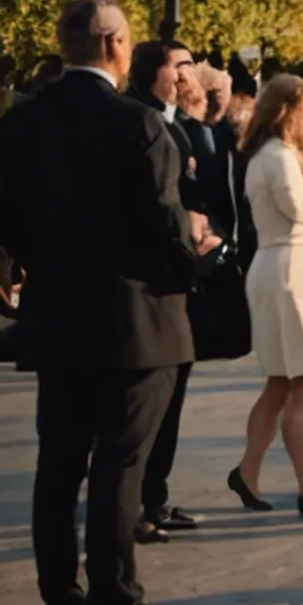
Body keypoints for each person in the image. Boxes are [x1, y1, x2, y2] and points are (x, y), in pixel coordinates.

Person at [0, 0, 216, 605]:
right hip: (135, 316)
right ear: (117, 45)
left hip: (58, 312)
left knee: (59, 462)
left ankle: (60, 603)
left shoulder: (22, 121)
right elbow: (162, 221)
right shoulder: (138, 125)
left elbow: (8, 217)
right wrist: (196, 258)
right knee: (121, 462)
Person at [228, 74, 303, 519]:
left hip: (281, 264)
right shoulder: (278, 157)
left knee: (281, 381)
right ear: (287, 110)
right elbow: (300, 208)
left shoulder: (274, 155)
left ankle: (249, 470)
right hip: (286, 267)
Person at [122, 39, 203, 544]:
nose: (189, 74)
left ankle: (155, 494)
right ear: (155, 72)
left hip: (177, 275)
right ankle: (138, 503)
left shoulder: (177, 122)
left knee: (171, 397)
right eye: (181, 65)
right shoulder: (142, 120)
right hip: (153, 283)